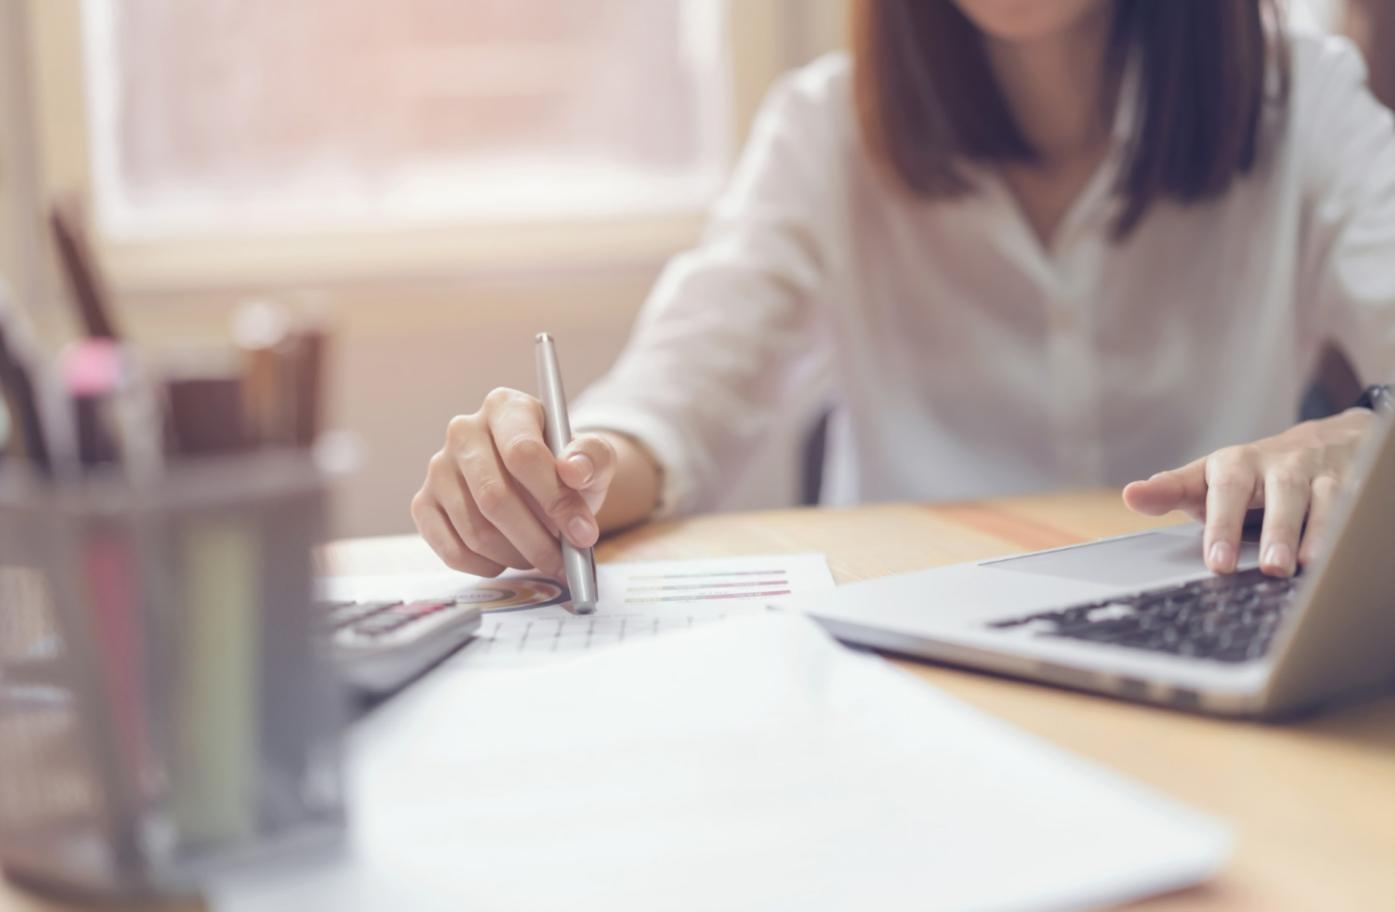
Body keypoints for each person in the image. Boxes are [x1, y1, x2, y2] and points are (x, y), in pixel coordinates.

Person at [412, 0, 1395, 585]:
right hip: (908, 667)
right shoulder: (823, 127)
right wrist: (551, 481)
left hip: (1209, 634)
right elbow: (676, 402)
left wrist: (1364, 432)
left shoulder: (1304, 101)